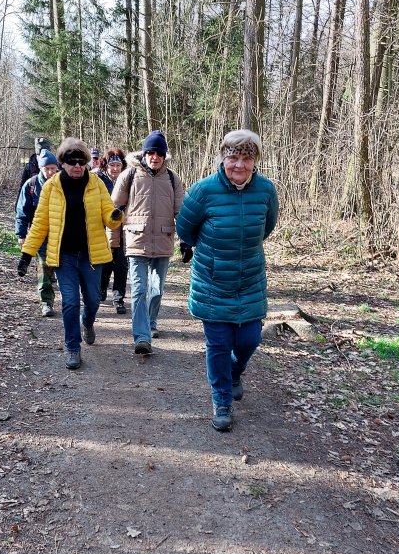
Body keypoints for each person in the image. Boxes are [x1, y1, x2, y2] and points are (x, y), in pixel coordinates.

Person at [175, 129, 279, 432]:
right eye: (233, 157)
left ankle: (235, 373)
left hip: (250, 280)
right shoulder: (203, 191)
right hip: (213, 282)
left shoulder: (266, 190)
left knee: (249, 340)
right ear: (223, 157)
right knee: (218, 344)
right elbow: (185, 230)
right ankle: (221, 400)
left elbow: (266, 227)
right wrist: (213, 254)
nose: (239, 165)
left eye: (246, 158)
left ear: (255, 161)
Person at [17, 138, 124, 370]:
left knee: (94, 300)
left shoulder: (96, 184)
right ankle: (73, 348)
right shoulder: (51, 186)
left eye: (81, 162)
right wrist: (27, 255)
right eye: (71, 162)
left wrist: (115, 217)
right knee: (70, 302)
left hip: (92, 255)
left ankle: (88, 322)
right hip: (64, 256)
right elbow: (39, 224)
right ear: (62, 163)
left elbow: (108, 213)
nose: (77, 166)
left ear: (86, 163)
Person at [111, 130, 184, 355]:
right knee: (140, 289)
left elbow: (181, 213)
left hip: (163, 240)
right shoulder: (129, 175)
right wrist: (113, 241)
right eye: (150, 152)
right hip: (136, 240)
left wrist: (186, 242)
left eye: (159, 153)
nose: (154, 157)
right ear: (144, 154)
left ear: (164, 156)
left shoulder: (172, 179)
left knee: (157, 289)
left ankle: (151, 322)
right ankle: (141, 337)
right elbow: (113, 211)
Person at [15, 148, 59, 317]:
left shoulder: (63, 184)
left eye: (53, 169)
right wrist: (21, 235)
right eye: (46, 169)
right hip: (39, 234)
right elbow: (22, 212)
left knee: (61, 267)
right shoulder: (31, 185)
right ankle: (46, 302)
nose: (50, 172)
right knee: (43, 268)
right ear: (41, 169)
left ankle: (71, 302)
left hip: (61, 234)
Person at [100, 148, 128, 313]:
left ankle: (119, 299)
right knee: (105, 263)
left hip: (124, 229)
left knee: (121, 266)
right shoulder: (99, 180)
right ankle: (101, 288)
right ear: (106, 166)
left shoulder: (128, 179)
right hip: (105, 229)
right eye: (112, 165)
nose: (115, 168)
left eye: (118, 165)